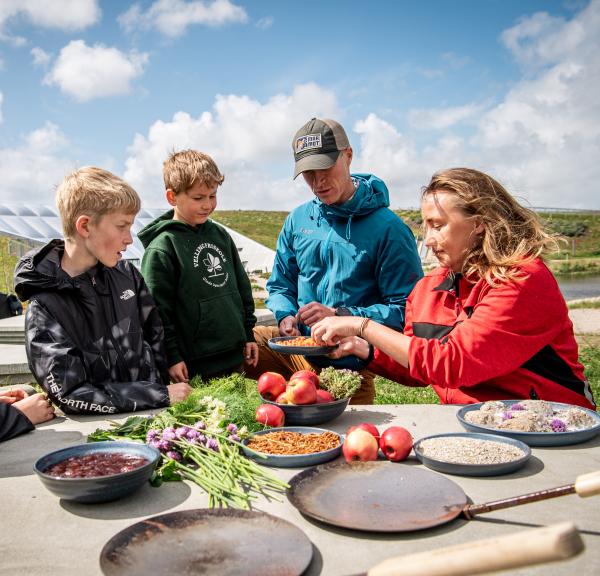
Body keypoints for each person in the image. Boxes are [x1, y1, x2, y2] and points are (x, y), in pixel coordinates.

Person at [311, 167, 596, 410]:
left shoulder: (522, 280)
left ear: (480, 224)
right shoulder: (428, 289)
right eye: (427, 227)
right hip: (476, 427)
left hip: (549, 426)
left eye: (438, 225)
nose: (429, 240)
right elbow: (421, 364)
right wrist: (366, 350)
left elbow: (453, 363)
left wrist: (363, 326)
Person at [245, 118, 423, 403]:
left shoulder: (389, 229)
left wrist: (342, 315)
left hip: (347, 362)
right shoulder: (298, 219)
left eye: (325, 168)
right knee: (230, 344)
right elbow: (280, 284)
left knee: (344, 441)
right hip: (294, 346)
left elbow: (406, 311)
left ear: (348, 155)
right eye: (308, 174)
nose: (318, 182)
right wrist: (286, 315)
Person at [14, 167, 192, 414]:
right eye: (122, 226)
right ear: (85, 226)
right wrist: (157, 394)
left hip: (159, 417)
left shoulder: (127, 275)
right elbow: (70, 394)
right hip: (104, 431)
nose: (130, 239)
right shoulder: (45, 306)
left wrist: (164, 387)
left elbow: (156, 337)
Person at [139, 150, 258, 383]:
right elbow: (157, 311)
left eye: (212, 196)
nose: (207, 205)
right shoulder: (162, 247)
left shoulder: (220, 235)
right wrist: (171, 356)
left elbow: (242, 288)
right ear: (172, 197)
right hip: (192, 367)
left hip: (234, 356)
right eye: (198, 198)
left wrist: (248, 334)